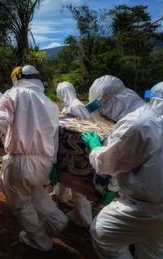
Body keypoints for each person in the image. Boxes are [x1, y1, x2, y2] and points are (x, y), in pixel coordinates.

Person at [81, 75, 163, 258]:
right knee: (154, 250)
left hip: (149, 209)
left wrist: (95, 147)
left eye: (99, 107)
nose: (103, 114)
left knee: (102, 233)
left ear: (110, 103)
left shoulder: (136, 123)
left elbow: (106, 164)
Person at [0, 65, 68, 251]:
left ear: (18, 78)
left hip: (20, 162)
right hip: (43, 163)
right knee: (36, 191)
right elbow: (54, 138)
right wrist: (52, 165)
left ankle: (38, 240)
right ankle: (57, 220)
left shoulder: (15, 94)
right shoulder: (51, 104)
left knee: (20, 203)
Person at [55, 81, 92, 227]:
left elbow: (86, 125)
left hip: (78, 151)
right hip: (67, 149)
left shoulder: (76, 105)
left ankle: (83, 219)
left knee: (78, 186)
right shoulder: (67, 105)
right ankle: (62, 199)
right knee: (64, 177)